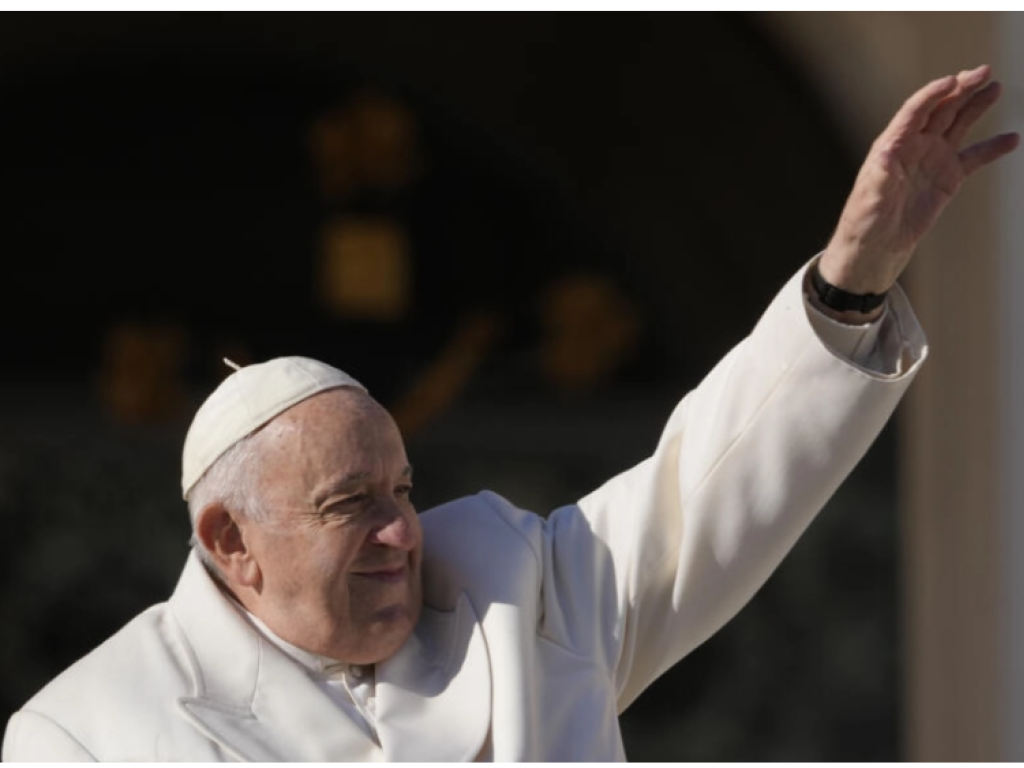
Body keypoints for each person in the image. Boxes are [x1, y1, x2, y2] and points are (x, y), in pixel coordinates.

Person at [3, 66, 1018, 762]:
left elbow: (709, 484)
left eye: (403, 487)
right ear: (232, 540)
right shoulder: (88, 736)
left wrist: (853, 277)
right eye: (350, 502)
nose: (404, 530)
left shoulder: (508, 593)